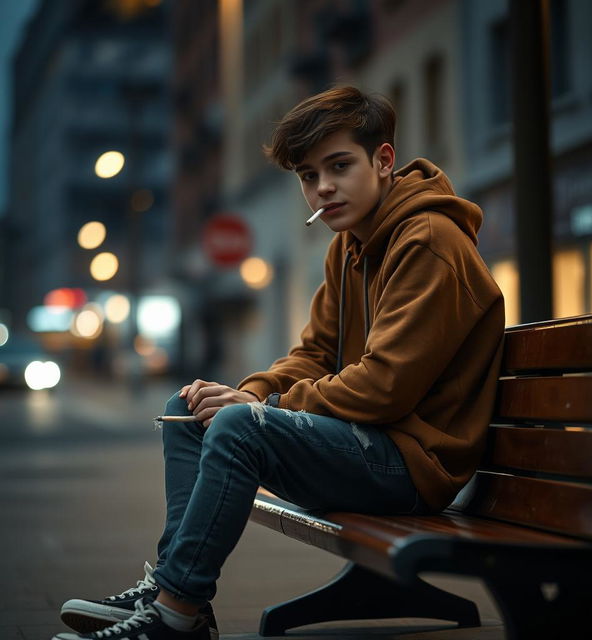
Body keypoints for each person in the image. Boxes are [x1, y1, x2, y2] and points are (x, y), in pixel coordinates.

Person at [52, 86, 505, 640]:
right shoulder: (350, 246)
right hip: (370, 444)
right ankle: (171, 589)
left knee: (243, 425)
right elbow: (314, 354)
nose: (323, 188)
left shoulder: (429, 242)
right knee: (189, 406)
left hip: (414, 464)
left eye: (339, 166)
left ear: (383, 160)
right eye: (308, 176)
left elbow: (387, 387)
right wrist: (242, 391)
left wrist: (259, 405)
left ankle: (174, 616)